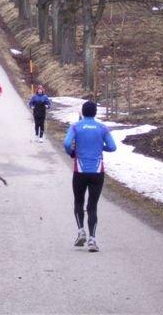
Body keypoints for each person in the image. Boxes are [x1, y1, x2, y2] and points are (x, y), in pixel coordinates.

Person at [64, 101, 117, 252]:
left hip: (80, 171)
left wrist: (72, 153)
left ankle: (81, 231)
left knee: (78, 202)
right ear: (95, 112)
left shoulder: (76, 126)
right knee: (92, 206)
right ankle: (92, 240)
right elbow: (113, 147)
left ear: (83, 112)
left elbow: (67, 143)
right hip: (97, 172)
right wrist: (101, 147)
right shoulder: (102, 128)